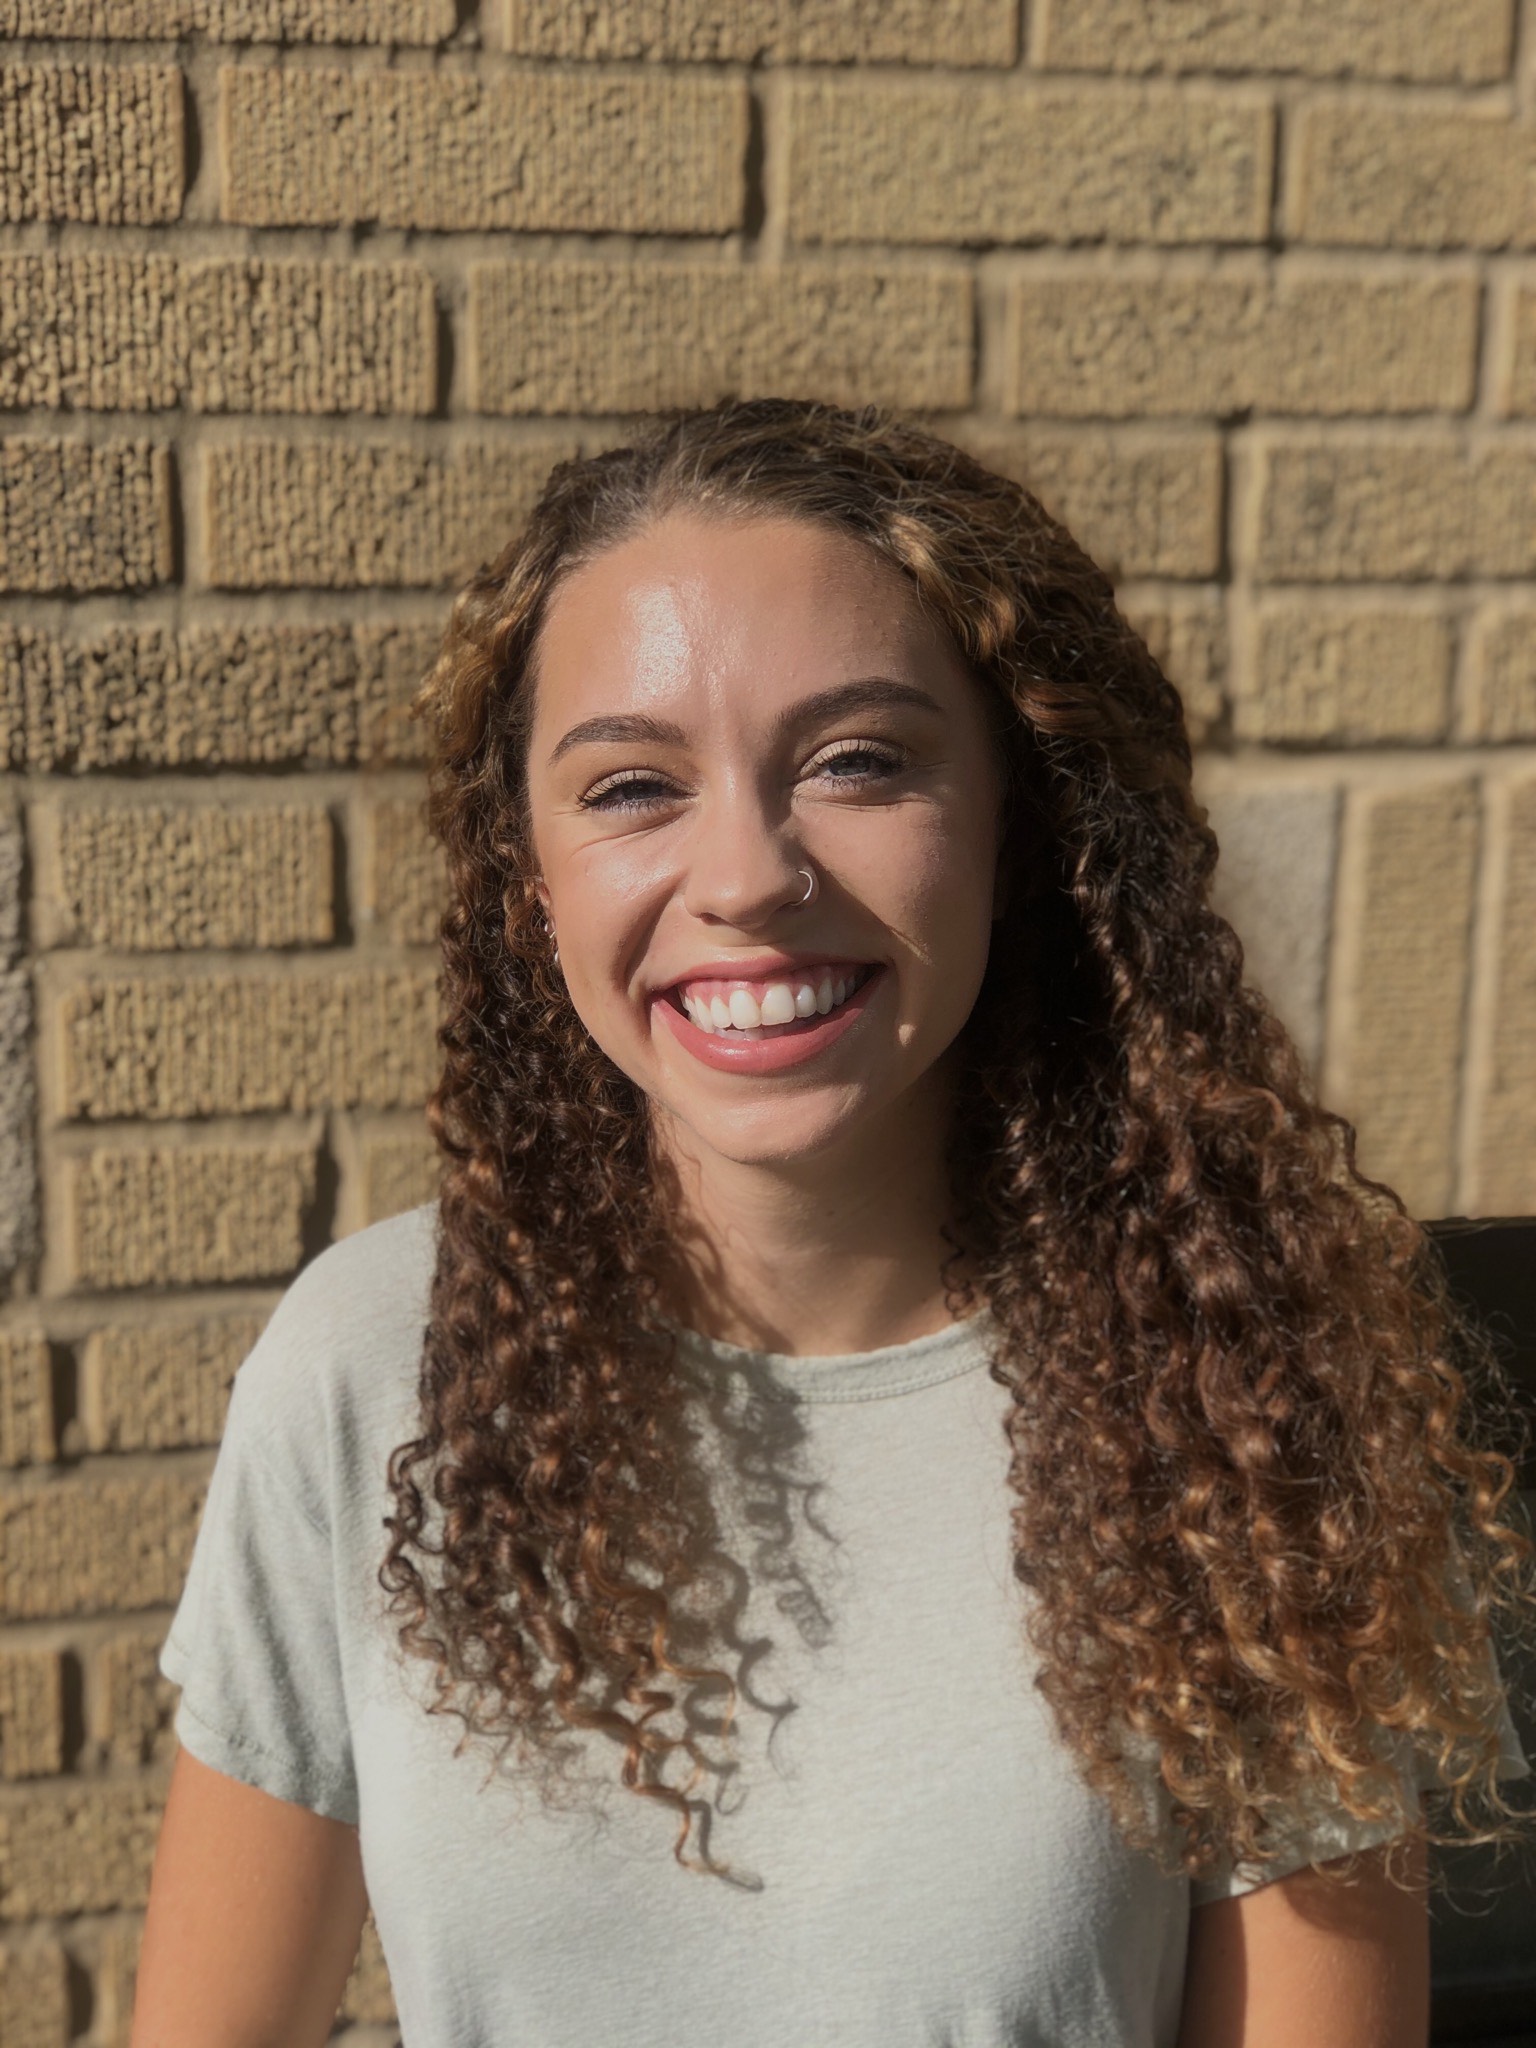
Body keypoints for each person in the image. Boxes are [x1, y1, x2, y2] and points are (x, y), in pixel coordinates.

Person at [134, 399, 1533, 2048]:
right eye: (632, 786)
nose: (745, 873)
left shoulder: (1239, 1396)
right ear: (529, 873)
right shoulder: (368, 1366)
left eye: (859, 761)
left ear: (1021, 826)